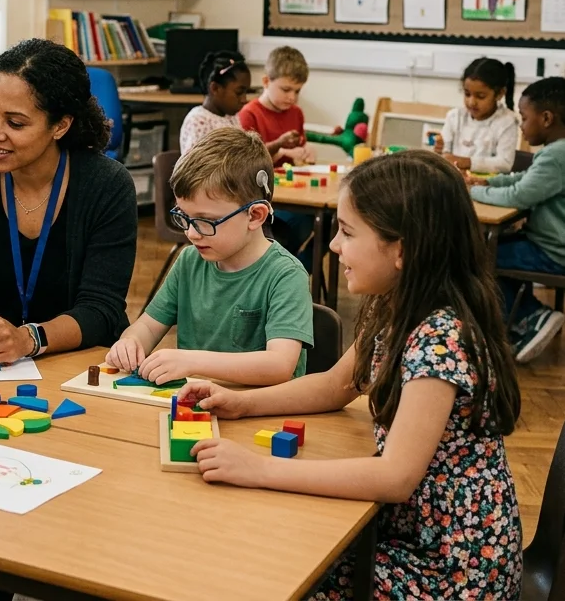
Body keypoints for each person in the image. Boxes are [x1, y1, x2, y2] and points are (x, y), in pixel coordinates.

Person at [178, 150, 522, 600]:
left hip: (450, 568)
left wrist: (260, 468)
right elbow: (335, 385)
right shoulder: (396, 304)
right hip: (409, 533)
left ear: (402, 250)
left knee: (277, 574)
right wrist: (240, 401)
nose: (335, 246)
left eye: (347, 232)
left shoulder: (441, 336)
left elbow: (395, 477)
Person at [0, 39, 136, 375]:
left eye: (15, 123)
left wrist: (29, 338)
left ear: (60, 125)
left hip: (80, 367)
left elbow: (102, 309)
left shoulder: (107, 185)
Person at [107, 127, 312, 384]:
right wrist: (130, 342)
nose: (192, 233)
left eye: (206, 221)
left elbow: (279, 365)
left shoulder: (285, 275)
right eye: (184, 216)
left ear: (255, 215)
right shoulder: (188, 262)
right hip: (196, 410)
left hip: (262, 413)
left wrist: (191, 361)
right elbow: (148, 326)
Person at [470, 76, 565, 362]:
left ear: (546, 118)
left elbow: (519, 196)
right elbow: (524, 179)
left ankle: (531, 316)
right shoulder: (555, 152)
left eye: (524, 118)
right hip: (550, 245)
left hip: (552, 252)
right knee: (490, 246)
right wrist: (488, 184)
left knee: (480, 255)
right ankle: (516, 321)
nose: (522, 126)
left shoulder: (556, 155)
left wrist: (471, 191)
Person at [239, 45, 313, 267]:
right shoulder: (249, 114)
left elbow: (299, 154)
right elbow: (244, 165)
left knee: (331, 222)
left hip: (294, 192)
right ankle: (282, 269)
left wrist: (305, 153)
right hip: (265, 198)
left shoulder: (296, 113)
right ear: (265, 82)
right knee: (295, 223)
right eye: (286, 89)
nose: (292, 97)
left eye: (298, 91)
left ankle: (298, 268)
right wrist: (281, 150)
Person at [435, 57, 519, 173]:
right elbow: (445, 154)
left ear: (500, 94)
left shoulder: (507, 121)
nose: (471, 102)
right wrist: (440, 149)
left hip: (488, 187)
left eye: (480, 96)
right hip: (455, 181)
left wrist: (467, 162)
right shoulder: (454, 116)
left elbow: (504, 164)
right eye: (467, 94)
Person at [179, 50, 252, 153]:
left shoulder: (232, 116)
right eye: (239, 92)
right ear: (215, 88)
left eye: (246, 92)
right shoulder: (199, 121)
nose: (244, 99)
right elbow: (194, 167)